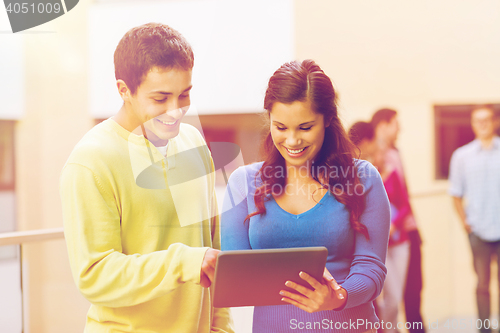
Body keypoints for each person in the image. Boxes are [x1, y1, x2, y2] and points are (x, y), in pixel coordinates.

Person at [60, 23, 234, 333]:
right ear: (124, 90)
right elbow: (95, 275)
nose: (175, 110)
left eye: (184, 95)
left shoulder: (193, 142)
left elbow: (212, 251)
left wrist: (222, 328)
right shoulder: (90, 161)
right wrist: (184, 263)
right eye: (160, 98)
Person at [221, 60, 390, 333]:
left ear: (328, 120)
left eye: (305, 127)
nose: (292, 141)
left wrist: (337, 297)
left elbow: (371, 267)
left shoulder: (363, 178)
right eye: (281, 127)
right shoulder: (243, 183)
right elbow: (235, 273)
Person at [371, 109, 425, 333]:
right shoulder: (367, 171)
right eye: (396, 123)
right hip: (384, 243)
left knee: (412, 289)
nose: (399, 128)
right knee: (390, 297)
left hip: (403, 236)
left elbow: (404, 202)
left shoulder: (394, 161)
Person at [449, 106, 500, 333]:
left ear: (494, 122)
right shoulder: (462, 156)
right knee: (481, 284)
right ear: (472, 124)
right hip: (478, 231)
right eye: (478, 121)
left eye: (487, 120)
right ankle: (484, 329)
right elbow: (456, 193)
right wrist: (465, 224)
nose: (483, 125)